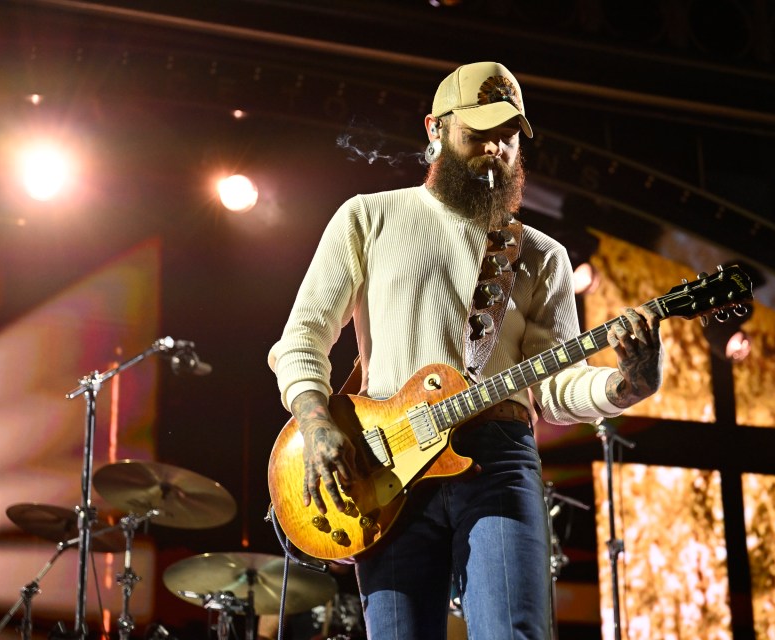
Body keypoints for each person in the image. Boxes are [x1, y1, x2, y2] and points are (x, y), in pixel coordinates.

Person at [268, 61, 664, 640]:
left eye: (508, 135)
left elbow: (554, 385)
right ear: (435, 130)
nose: (496, 148)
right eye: (477, 133)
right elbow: (303, 335)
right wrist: (315, 420)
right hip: (388, 459)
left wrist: (627, 385)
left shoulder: (541, 254)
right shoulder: (369, 216)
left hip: (499, 454)